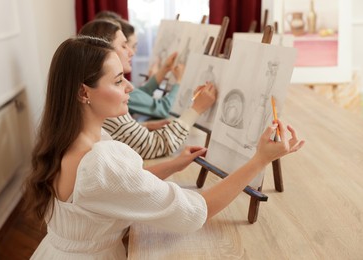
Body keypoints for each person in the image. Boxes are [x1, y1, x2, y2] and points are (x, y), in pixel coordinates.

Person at [24, 35, 304, 259]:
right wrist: (259, 159)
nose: (130, 88)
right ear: (84, 92)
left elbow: (119, 190)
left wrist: (171, 166)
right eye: (118, 80)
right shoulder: (99, 161)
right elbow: (197, 211)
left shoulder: (66, 138)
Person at [79, 19, 217, 159]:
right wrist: (196, 108)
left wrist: (144, 126)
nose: (132, 52)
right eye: (124, 46)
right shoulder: (107, 104)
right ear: (104, 50)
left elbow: (138, 95)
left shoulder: (102, 96)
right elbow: (154, 144)